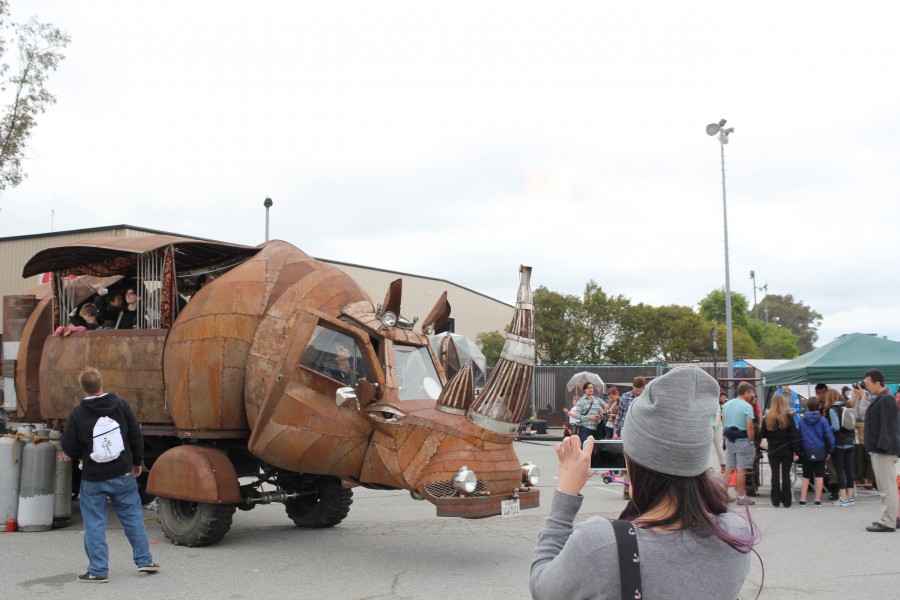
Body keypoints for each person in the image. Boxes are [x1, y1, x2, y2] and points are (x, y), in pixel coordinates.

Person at [530, 366, 755, 600]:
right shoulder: (734, 534)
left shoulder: (601, 542)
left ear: (634, 463)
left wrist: (566, 492)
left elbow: (542, 586)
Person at [60, 367, 159, 583]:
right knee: (133, 518)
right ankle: (145, 561)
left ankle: (98, 570)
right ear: (102, 384)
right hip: (123, 473)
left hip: (93, 477)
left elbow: (69, 446)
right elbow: (135, 435)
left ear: (82, 388)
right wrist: (136, 462)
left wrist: (85, 456)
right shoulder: (121, 405)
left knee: (94, 524)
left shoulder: (78, 413)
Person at [862, 369, 900, 532]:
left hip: (883, 450)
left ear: (878, 383)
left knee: (887, 487)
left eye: (868, 384)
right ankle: (891, 518)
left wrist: (881, 448)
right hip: (880, 449)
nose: (866, 387)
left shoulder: (887, 399)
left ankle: (888, 521)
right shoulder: (883, 399)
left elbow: (888, 426)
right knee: (886, 486)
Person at [760, 394, 801, 507]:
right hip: (787, 449)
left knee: (775, 475)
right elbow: (794, 435)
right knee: (786, 475)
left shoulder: (767, 418)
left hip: (773, 449)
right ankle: (787, 500)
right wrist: (797, 450)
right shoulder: (788, 417)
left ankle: (775, 500)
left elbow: (762, 434)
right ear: (783, 403)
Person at [722, 382, 756, 506]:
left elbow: (724, 422)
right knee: (741, 469)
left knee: (729, 467)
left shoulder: (727, 404)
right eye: (751, 392)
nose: (752, 395)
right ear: (746, 392)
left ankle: (723, 494)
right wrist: (751, 440)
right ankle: (741, 497)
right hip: (743, 440)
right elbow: (750, 426)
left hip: (729, 439)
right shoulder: (747, 407)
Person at [797, 396, 835, 507]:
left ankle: (803, 499)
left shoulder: (802, 420)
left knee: (806, 476)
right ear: (819, 406)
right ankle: (817, 500)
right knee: (819, 476)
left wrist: (799, 451)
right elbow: (829, 436)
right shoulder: (823, 420)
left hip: (806, 450)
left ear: (807, 407)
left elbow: (798, 436)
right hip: (820, 450)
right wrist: (829, 450)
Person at [826, 388, 856, 506]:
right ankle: (850, 497)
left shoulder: (833, 409)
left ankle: (842, 498)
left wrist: (827, 429)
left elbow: (836, 427)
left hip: (839, 443)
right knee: (849, 469)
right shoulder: (847, 406)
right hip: (850, 442)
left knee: (839, 470)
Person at [712, 392, 726, 473]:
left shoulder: (718, 404)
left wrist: (716, 424)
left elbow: (719, 415)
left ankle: (723, 464)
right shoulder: (703, 404)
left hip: (717, 427)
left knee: (718, 448)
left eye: (724, 397)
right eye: (722, 397)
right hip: (707, 428)